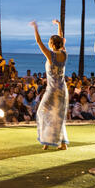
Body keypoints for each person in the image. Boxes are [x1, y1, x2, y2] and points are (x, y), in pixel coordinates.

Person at [30, 19, 69, 150]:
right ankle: (61, 144)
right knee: (57, 115)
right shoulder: (64, 53)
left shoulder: (50, 56)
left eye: (50, 42)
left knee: (43, 113)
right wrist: (59, 25)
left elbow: (38, 42)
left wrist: (35, 28)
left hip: (52, 91)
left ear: (52, 44)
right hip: (62, 90)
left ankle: (47, 141)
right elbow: (61, 39)